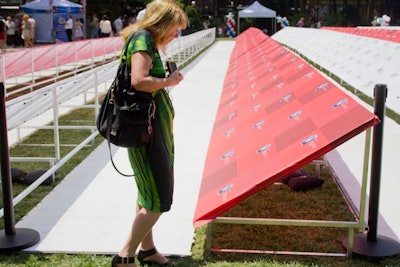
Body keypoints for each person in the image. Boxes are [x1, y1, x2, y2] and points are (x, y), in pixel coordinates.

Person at [110, 0, 188, 266]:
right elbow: (139, 81)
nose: (176, 35)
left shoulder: (144, 39)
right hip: (147, 133)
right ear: (163, 22)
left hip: (151, 130)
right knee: (159, 197)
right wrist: (169, 80)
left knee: (147, 193)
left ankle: (147, 250)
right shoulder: (142, 39)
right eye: (175, 29)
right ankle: (125, 256)